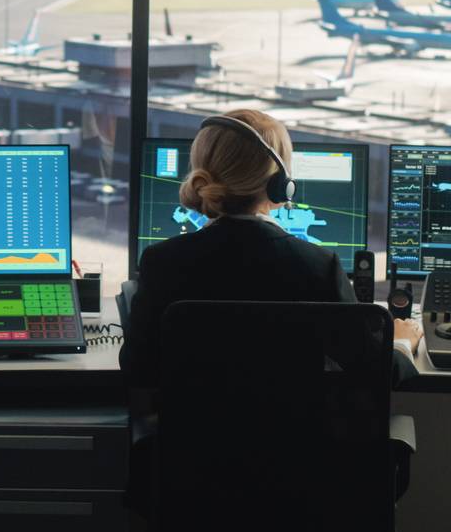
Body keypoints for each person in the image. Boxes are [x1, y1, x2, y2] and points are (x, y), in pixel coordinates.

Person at [119, 108, 422, 387]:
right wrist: (401, 343)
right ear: (281, 184)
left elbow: (136, 366)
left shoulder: (162, 262)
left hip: (191, 443)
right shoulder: (318, 267)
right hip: (292, 445)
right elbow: (379, 372)